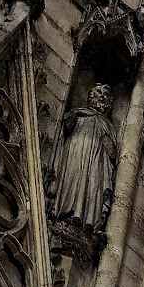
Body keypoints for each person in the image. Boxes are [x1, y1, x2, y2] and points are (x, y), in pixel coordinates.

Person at [53, 82, 118, 233]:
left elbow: (113, 154)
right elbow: (66, 127)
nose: (102, 97)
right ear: (90, 96)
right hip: (76, 153)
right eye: (99, 93)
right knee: (73, 178)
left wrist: (108, 144)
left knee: (93, 184)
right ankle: (65, 214)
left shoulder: (108, 124)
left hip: (97, 161)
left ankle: (86, 221)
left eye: (106, 95)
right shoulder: (79, 113)